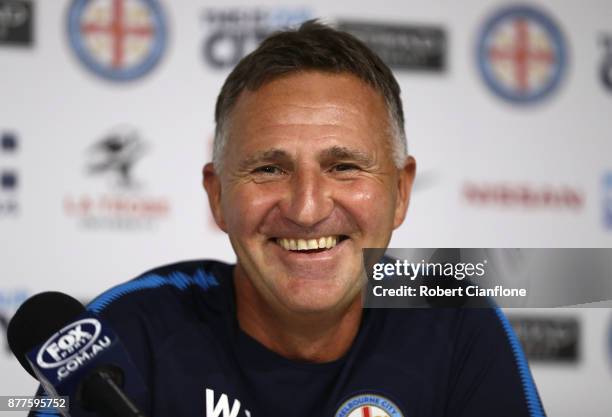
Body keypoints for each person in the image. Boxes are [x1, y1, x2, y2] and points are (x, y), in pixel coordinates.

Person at [32, 20, 545, 417]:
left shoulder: (457, 324)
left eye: (344, 167)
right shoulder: (125, 331)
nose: (306, 209)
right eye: (268, 169)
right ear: (216, 196)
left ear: (400, 191)